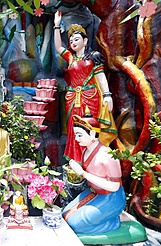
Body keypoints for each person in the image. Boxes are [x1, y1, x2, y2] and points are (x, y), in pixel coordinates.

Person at [54, 11, 117, 163]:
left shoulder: (93, 57)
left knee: (90, 128)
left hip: (90, 98)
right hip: (72, 98)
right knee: (73, 130)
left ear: (85, 40)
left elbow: (101, 77)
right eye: (71, 40)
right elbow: (57, 47)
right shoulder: (70, 57)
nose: (73, 42)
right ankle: (76, 161)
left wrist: (107, 95)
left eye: (77, 39)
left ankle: (92, 161)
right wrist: (56, 26)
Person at [62, 113, 125, 234]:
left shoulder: (107, 155)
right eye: (76, 135)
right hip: (94, 193)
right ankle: (102, 218)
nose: (76, 139)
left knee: (74, 224)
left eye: (80, 135)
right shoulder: (86, 150)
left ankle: (113, 222)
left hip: (111, 198)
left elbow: (114, 186)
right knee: (65, 214)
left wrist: (83, 174)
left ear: (92, 134)